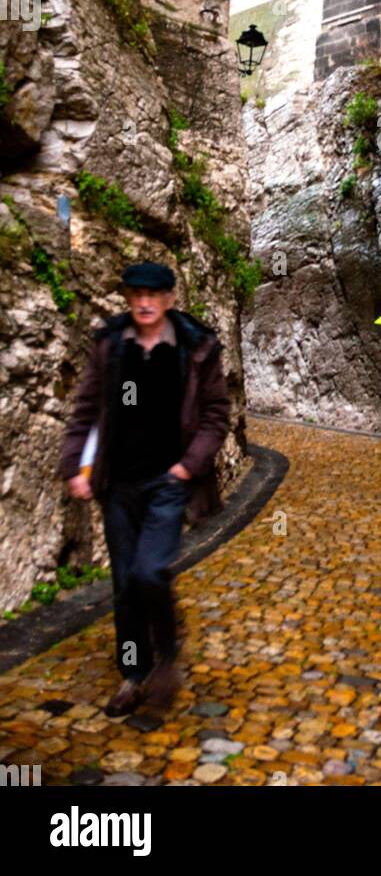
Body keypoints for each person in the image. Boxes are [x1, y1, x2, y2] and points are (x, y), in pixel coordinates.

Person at [58, 261, 231, 718]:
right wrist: (76, 464)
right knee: (124, 586)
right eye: (136, 294)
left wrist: (187, 467)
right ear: (128, 298)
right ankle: (134, 673)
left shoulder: (196, 346)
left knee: (149, 572)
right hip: (120, 484)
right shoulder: (112, 346)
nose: (144, 303)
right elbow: (86, 408)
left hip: (168, 482)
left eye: (153, 295)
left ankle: (167, 654)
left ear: (171, 299)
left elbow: (216, 414)